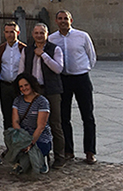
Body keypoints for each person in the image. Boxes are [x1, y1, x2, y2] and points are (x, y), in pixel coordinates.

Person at [48, 10, 98, 165]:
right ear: (56, 21)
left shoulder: (82, 36)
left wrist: (83, 69)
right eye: (60, 18)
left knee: (87, 115)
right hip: (63, 80)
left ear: (71, 20)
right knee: (64, 117)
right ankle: (68, 150)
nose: (63, 21)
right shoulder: (52, 38)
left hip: (81, 78)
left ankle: (90, 151)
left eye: (66, 18)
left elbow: (92, 56)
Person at [18, 23, 66, 169]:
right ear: (33, 34)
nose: (39, 35)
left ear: (47, 34)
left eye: (42, 33)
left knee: (55, 123)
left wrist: (43, 55)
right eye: (36, 33)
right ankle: (40, 155)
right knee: (34, 124)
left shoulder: (55, 49)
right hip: (34, 92)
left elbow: (58, 68)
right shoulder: (27, 50)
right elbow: (22, 71)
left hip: (51, 90)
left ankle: (59, 156)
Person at [11, 72, 53, 174]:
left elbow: (41, 126)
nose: (24, 88)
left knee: (33, 156)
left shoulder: (42, 102)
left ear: (31, 84)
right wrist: (21, 138)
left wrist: (30, 143)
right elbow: (15, 121)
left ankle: (42, 160)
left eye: (26, 85)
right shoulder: (18, 100)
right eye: (21, 86)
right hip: (24, 134)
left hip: (39, 136)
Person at [0, 22, 26, 129]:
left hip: (20, 87)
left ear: (18, 32)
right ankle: (9, 142)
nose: (9, 35)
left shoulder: (23, 49)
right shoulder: (1, 49)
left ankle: (22, 142)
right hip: (5, 86)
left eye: (12, 32)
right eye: (7, 32)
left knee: (21, 115)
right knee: (7, 116)